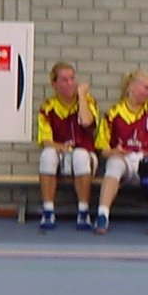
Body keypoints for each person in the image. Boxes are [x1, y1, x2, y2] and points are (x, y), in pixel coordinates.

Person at [94, 68, 148, 235]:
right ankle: (102, 215)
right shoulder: (114, 113)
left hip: (147, 157)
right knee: (114, 165)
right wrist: (116, 151)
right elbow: (103, 150)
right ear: (132, 86)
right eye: (146, 88)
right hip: (124, 159)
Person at [36, 62, 100, 231]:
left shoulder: (88, 101)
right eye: (64, 80)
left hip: (85, 156)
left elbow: (87, 122)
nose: (70, 83)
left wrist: (81, 96)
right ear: (54, 84)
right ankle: (48, 211)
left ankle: (83, 212)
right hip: (61, 154)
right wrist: (64, 148)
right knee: (47, 155)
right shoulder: (47, 107)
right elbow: (46, 141)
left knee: (80, 155)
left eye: (72, 79)